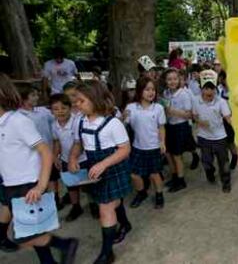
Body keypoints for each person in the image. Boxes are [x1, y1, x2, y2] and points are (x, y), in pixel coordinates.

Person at [0, 74, 79, 263]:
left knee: (26, 235)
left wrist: (41, 186)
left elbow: (46, 152)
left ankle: (65, 244)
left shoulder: (17, 121)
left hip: (27, 184)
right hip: (9, 183)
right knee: (31, 231)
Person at [68, 81, 132, 263]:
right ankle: (126, 224)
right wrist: (73, 158)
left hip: (113, 167)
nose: (76, 104)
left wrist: (104, 164)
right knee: (112, 201)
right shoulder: (80, 120)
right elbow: (78, 143)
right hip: (95, 167)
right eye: (76, 101)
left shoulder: (112, 124)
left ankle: (107, 252)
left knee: (105, 208)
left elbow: (124, 149)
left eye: (81, 101)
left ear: (95, 99)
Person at [50, 94, 99, 221]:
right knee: (71, 185)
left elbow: (81, 142)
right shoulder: (54, 125)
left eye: (63, 108)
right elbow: (56, 142)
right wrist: (56, 157)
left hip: (83, 159)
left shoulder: (77, 121)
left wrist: (74, 158)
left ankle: (93, 205)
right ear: (51, 111)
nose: (60, 111)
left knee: (89, 185)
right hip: (65, 159)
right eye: (56, 109)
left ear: (70, 108)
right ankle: (76, 207)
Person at [18, 84, 65, 210]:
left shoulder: (43, 111)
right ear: (23, 98)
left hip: (49, 149)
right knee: (40, 176)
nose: (36, 97)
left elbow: (56, 119)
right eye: (32, 95)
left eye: (37, 94)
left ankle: (55, 197)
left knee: (53, 176)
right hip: (32, 153)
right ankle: (44, 200)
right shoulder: (19, 115)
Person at [125, 77, 166, 209]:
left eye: (153, 89)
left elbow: (161, 127)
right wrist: (121, 116)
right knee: (134, 174)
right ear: (139, 90)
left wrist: (162, 142)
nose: (151, 92)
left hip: (154, 147)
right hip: (137, 147)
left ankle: (159, 195)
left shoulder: (158, 108)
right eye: (147, 89)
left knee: (155, 173)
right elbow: (122, 123)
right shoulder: (131, 107)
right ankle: (141, 193)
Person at [193, 70, 232, 193]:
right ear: (201, 89)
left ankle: (226, 182)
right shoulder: (195, 100)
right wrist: (199, 122)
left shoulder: (221, 102)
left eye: (212, 88)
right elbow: (194, 115)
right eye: (206, 88)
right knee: (206, 162)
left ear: (216, 88)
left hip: (220, 137)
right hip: (203, 137)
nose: (209, 92)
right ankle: (210, 173)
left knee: (224, 162)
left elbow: (228, 118)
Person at [162, 68, 195, 192]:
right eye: (169, 79)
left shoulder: (184, 94)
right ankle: (174, 176)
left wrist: (172, 111)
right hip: (169, 126)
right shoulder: (166, 93)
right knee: (169, 153)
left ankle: (181, 181)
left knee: (177, 155)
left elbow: (189, 114)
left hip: (180, 127)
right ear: (165, 81)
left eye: (175, 79)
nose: (172, 82)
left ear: (179, 80)